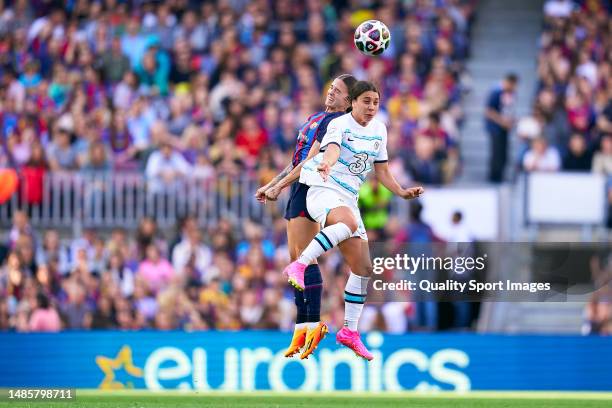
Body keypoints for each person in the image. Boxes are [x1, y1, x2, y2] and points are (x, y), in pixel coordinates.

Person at [283, 81, 423, 360]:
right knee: (345, 224)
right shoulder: (339, 124)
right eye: (366, 101)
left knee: (364, 267)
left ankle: (349, 331)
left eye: (376, 102)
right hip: (324, 189)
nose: (371, 107)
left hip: (348, 197)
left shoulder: (379, 129)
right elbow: (332, 150)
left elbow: (382, 173)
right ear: (354, 102)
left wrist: (402, 192)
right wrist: (326, 162)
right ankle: (299, 265)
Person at [255, 74, 357, 359]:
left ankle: (313, 324)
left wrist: (279, 186)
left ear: (349, 101)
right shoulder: (315, 118)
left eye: (338, 91)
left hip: (312, 187)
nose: (331, 93)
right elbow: (296, 159)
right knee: (294, 261)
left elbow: (311, 159)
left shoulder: (336, 124)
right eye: (331, 88)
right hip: (297, 185)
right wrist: (272, 183)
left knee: (304, 258)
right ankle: (301, 328)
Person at [485, 73, 518, 183]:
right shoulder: (496, 92)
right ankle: (494, 176)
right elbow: (489, 111)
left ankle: (501, 174)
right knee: (497, 152)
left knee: (504, 152)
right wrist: (502, 121)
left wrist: (511, 121)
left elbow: (509, 109)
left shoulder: (510, 94)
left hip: (505, 128)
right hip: (496, 127)